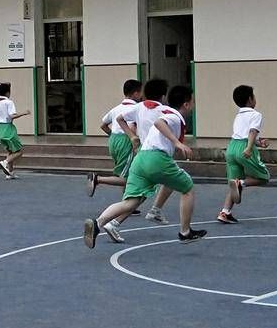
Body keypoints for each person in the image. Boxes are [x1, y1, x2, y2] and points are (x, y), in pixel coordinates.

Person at [85, 85, 206, 248]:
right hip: (156, 158)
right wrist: (178, 143)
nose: (193, 105)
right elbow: (159, 123)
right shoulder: (173, 116)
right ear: (186, 104)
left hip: (140, 158)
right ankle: (185, 232)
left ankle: (98, 223)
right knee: (187, 188)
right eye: (193, 101)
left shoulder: (153, 109)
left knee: (131, 201)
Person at [220, 84, 270, 224]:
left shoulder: (239, 115)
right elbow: (252, 132)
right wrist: (249, 148)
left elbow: (243, 134)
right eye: (254, 96)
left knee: (233, 182)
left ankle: (225, 212)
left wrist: (259, 143)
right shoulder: (256, 114)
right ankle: (241, 183)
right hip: (243, 147)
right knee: (264, 177)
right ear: (250, 99)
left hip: (232, 147)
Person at [87, 79, 143, 196]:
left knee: (125, 172)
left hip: (114, 140)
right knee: (128, 177)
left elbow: (103, 125)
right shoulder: (136, 109)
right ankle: (98, 179)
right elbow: (132, 127)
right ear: (136, 93)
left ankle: (126, 200)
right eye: (141, 92)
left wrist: (113, 135)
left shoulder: (116, 108)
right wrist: (135, 141)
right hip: (126, 140)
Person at [0, 82, 29, 179]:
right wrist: (24, 113)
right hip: (8, 128)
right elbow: (12, 115)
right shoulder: (9, 102)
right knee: (19, 151)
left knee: (10, 151)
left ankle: (10, 172)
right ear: (7, 93)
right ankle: (5, 162)